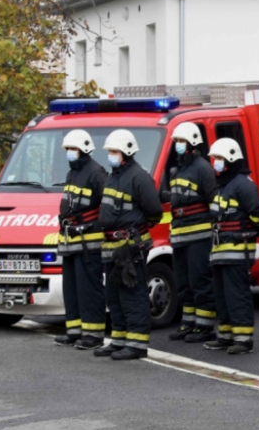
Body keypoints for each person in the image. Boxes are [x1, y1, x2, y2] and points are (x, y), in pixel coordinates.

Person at [93, 129, 164, 360]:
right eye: (110, 151)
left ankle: (136, 344)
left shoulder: (139, 177)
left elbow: (154, 211)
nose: (111, 155)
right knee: (114, 297)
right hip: (112, 248)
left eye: (114, 151)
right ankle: (119, 340)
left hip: (130, 247)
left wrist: (136, 229)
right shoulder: (113, 176)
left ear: (126, 152)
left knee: (132, 295)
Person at [203, 138, 259, 354]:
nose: (215, 162)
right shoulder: (222, 185)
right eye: (214, 158)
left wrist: (258, 228)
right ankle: (225, 336)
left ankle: (243, 339)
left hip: (237, 250)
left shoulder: (242, 184)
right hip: (220, 251)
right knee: (222, 296)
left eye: (219, 158)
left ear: (231, 159)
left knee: (237, 295)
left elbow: (258, 214)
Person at [164, 122, 217, 343]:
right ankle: (188, 324)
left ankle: (204, 327)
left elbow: (214, 202)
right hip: (180, 236)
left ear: (192, 143)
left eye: (181, 141)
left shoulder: (203, 169)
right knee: (184, 283)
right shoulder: (178, 170)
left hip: (199, 237)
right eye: (176, 141)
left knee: (200, 281)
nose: (178, 144)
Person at [55, 129, 108, 350]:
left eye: (73, 148)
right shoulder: (72, 173)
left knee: (89, 290)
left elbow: (107, 205)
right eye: (67, 149)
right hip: (70, 241)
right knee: (71, 289)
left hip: (89, 242)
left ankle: (93, 335)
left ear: (84, 149)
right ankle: (74, 331)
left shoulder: (96, 172)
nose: (69, 152)